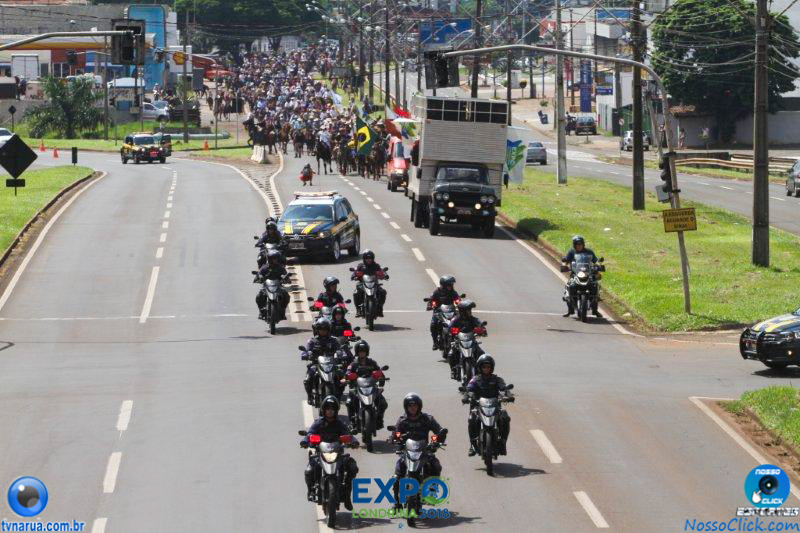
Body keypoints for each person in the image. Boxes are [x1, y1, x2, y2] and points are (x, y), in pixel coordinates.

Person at [391, 393, 447, 509]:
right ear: (406, 407)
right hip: (407, 451)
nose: (412, 408)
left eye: (415, 405)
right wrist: (394, 438)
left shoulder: (427, 418)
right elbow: (396, 433)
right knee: (397, 474)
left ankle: (431, 492)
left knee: (436, 466)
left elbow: (438, 431)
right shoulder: (402, 420)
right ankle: (397, 503)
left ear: (419, 406)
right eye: (410, 406)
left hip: (424, 450)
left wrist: (437, 440)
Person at [302, 395, 359, 508]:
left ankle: (347, 496)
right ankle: (311, 491)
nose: (330, 411)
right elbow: (310, 433)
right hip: (321, 454)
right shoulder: (318, 423)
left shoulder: (339, 423)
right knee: (309, 470)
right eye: (327, 408)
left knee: (352, 467)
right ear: (323, 410)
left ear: (336, 410)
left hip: (337, 454)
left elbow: (348, 434)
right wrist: (305, 440)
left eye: (332, 408)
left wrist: (353, 441)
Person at [465, 355, 511, 457]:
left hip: (494, 407)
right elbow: (469, 388)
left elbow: (504, 388)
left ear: (492, 368)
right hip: (478, 406)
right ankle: (472, 445)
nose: (486, 369)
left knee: (505, 417)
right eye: (484, 367)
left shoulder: (497, 379)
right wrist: (467, 396)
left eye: (488, 367)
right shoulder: (475, 379)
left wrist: (508, 395)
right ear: (480, 368)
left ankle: (503, 443)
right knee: (472, 419)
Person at [343, 340, 388, 430]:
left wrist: (381, 379)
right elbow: (347, 374)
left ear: (367, 352)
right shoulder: (353, 364)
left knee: (383, 403)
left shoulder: (372, 363)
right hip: (356, 388)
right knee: (349, 403)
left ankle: (379, 419)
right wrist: (348, 377)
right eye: (360, 351)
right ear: (357, 352)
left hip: (371, 388)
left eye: (363, 351)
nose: (362, 353)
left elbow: (380, 373)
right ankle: (352, 422)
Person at [302, 318, 342, 405]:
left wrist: (340, 354)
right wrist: (306, 354)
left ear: (328, 330)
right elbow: (306, 350)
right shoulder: (312, 341)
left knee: (341, 378)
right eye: (320, 329)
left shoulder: (333, 340)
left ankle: (338, 396)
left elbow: (340, 350)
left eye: (325, 329)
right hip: (316, 364)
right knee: (307, 379)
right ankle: (310, 395)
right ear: (317, 330)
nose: (323, 331)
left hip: (331, 365)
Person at [561, 235, 601, 317]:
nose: (578, 246)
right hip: (575, 273)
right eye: (577, 244)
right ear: (574, 245)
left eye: (580, 244)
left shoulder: (589, 252)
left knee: (595, 286)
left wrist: (598, 266)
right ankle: (570, 310)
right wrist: (564, 265)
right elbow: (566, 260)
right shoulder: (572, 252)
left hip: (588, 273)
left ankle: (595, 310)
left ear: (583, 244)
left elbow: (595, 261)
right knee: (569, 287)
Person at [447, 299, 487, 379]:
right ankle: (453, 370)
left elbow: (480, 325)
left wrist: (482, 330)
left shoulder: (473, 319)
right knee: (451, 354)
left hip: (471, 341)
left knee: (482, 354)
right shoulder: (456, 319)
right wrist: (452, 330)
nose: (470, 312)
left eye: (470, 310)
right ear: (463, 311)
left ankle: (482, 372)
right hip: (459, 341)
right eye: (468, 310)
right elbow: (450, 326)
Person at [254, 250, 290, 321]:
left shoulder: (281, 268)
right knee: (258, 297)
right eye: (274, 259)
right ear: (269, 259)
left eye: (276, 259)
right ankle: (261, 311)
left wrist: (286, 278)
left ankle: (282, 311)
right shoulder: (264, 267)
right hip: (267, 287)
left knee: (286, 296)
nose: (275, 260)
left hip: (278, 287)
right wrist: (259, 277)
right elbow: (259, 274)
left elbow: (285, 275)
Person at [427, 275, 460, 350]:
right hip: (439, 312)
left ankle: (459, 340)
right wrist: (431, 305)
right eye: (449, 284)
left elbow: (457, 299)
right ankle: (435, 342)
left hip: (451, 312)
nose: (451, 286)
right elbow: (432, 300)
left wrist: (459, 303)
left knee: (459, 323)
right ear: (444, 285)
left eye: (451, 284)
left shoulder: (453, 292)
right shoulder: (437, 291)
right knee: (433, 325)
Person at [351, 250, 387, 317]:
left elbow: (381, 271)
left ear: (372, 258)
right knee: (356, 293)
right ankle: (358, 309)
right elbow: (355, 271)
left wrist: (384, 275)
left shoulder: (376, 265)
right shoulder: (361, 266)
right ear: (364, 259)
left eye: (370, 258)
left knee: (383, 292)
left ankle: (380, 308)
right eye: (367, 258)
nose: (368, 260)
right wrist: (354, 276)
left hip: (374, 284)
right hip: (362, 283)